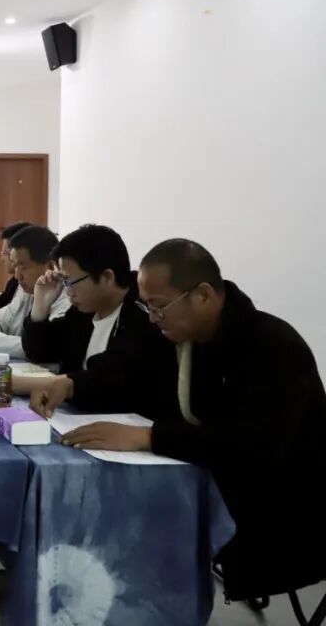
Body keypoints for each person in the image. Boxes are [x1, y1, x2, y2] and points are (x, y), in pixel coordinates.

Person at [53, 239, 326, 602]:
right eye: (146, 306)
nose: (152, 318)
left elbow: (253, 445)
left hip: (284, 507)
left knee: (133, 523)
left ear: (203, 295)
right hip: (207, 476)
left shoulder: (273, 346)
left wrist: (148, 437)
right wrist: (69, 385)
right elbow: (124, 370)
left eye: (159, 306)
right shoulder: (182, 334)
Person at [17, 225, 176, 410]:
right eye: (63, 281)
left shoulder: (144, 314)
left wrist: (20, 383)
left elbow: (108, 378)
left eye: (70, 281)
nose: (68, 291)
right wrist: (40, 306)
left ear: (107, 277)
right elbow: (40, 351)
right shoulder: (83, 312)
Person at [0, 225, 71, 357]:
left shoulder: (68, 300)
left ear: (50, 266)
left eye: (23, 267)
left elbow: (38, 347)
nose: (17, 276)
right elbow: (0, 321)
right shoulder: (25, 290)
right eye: (14, 265)